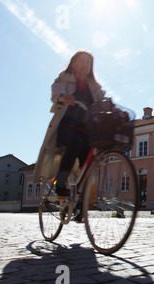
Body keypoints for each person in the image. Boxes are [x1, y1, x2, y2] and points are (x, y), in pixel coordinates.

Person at [34, 50, 106, 197]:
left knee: (89, 158)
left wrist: (110, 107)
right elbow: (56, 90)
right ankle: (61, 181)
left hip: (86, 129)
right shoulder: (64, 78)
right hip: (66, 126)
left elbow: (102, 100)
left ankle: (80, 199)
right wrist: (63, 97)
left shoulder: (93, 86)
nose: (84, 65)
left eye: (88, 62)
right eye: (81, 61)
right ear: (73, 64)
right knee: (76, 142)